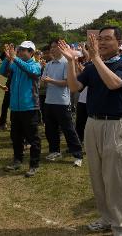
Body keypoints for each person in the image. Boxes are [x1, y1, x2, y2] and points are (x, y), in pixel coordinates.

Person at [59, 26, 122, 236]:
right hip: (93, 124)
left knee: (116, 178)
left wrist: (94, 58)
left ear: (119, 43)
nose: (100, 42)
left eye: (106, 39)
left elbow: (114, 84)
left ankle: (120, 227)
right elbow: (74, 87)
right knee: (98, 176)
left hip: (115, 125)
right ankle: (107, 218)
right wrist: (72, 62)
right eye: (99, 39)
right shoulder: (92, 67)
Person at [0, 41, 42, 177]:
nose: (22, 52)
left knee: (33, 138)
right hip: (16, 108)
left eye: (26, 50)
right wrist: (7, 58)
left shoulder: (35, 65)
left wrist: (15, 59)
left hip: (30, 107)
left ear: (32, 53)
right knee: (16, 136)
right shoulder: (16, 64)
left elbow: (30, 71)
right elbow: (2, 71)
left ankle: (34, 165)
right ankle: (17, 160)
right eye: (21, 49)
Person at [42, 39, 83, 167]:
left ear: (62, 48)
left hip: (62, 102)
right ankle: (54, 151)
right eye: (52, 47)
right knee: (50, 129)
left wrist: (50, 81)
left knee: (68, 129)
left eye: (56, 47)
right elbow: (44, 81)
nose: (53, 49)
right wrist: (43, 81)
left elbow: (67, 83)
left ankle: (77, 154)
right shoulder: (48, 64)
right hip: (49, 101)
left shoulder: (66, 63)